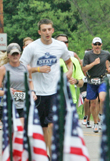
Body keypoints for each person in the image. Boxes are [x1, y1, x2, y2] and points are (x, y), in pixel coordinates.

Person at [20, 19, 72, 147]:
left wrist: (68, 72)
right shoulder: (32, 47)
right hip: (37, 92)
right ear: (39, 32)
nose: (47, 32)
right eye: (44, 30)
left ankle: (52, 154)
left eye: (49, 29)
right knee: (42, 127)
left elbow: (69, 62)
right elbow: (20, 68)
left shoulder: (59, 46)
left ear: (53, 30)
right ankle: (45, 154)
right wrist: (37, 69)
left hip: (54, 91)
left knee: (52, 124)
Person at [0, 43, 32, 120]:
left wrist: (32, 91)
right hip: (7, 105)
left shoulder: (27, 68)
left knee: (21, 130)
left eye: (16, 54)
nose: (15, 56)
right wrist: (7, 92)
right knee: (10, 131)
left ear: (20, 54)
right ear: (8, 55)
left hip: (23, 105)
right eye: (12, 54)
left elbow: (30, 82)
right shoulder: (3, 69)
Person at [81, 37, 110, 133]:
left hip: (102, 79)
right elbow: (84, 69)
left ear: (101, 45)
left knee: (102, 98)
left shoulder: (105, 53)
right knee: (93, 103)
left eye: (99, 44)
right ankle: (95, 123)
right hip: (91, 80)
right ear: (92, 45)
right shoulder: (88, 55)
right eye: (95, 44)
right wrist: (94, 63)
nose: (97, 46)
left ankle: (101, 115)